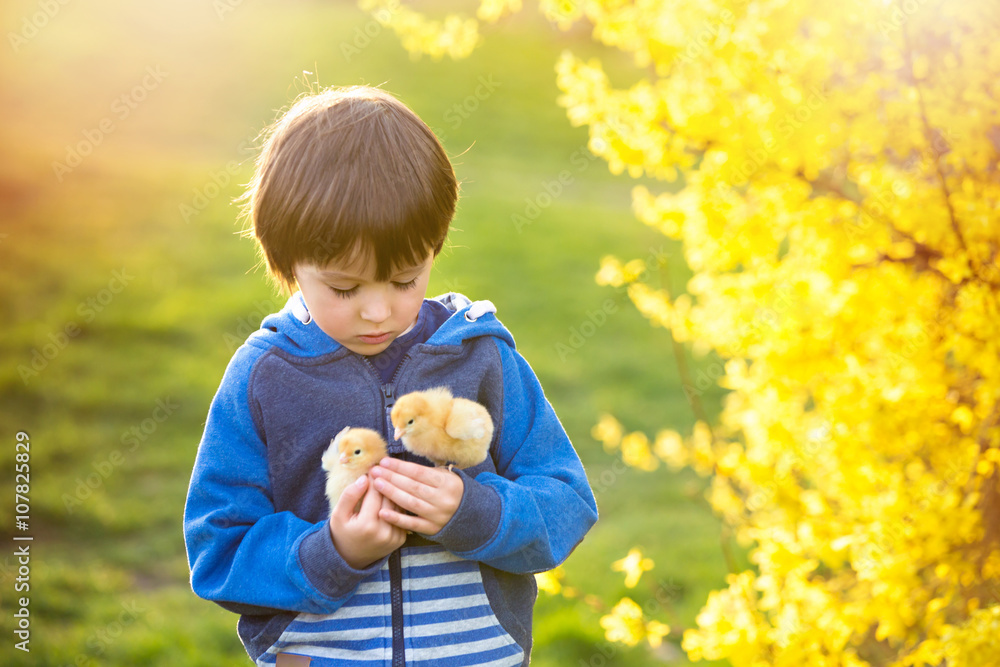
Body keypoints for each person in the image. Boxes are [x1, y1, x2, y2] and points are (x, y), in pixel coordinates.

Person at [183, 85, 598, 667]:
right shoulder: (265, 377)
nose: (378, 311)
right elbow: (217, 548)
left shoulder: (480, 357)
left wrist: (471, 511)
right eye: (345, 288)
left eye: (405, 279)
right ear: (285, 262)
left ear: (435, 246)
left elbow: (567, 504)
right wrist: (333, 551)